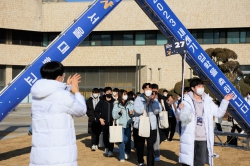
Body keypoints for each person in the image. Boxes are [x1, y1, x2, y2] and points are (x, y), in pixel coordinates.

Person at [29, 61, 87, 166]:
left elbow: (56, 97)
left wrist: (67, 87)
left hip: (40, 154)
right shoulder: (63, 96)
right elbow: (81, 110)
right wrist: (76, 92)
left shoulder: (37, 95)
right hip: (60, 155)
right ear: (59, 78)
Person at [177, 78, 234, 166]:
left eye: (202, 86)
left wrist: (225, 101)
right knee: (188, 163)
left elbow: (218, 113)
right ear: (193, 88)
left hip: (203, 138)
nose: (201, 88)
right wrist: (179, 111)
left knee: (199, 163)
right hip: (190, 137)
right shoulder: (186, 101)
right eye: (199, 86)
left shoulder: (208, 101)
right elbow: (182, 119)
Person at [134, 83, 162, 166]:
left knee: (150, 146)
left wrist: (153, 102)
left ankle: (150, 163)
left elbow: (157, 111)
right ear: (143, 90)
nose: (148, 91)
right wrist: (146, 103)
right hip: (140, 125)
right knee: (140, 145)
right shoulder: (138, 99)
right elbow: (138, 111)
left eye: (150, 89)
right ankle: (140, 161)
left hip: (151, 126)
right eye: (146, 89)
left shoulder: (155, 100)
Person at [112, 89, 134, 162]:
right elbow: (114, 116)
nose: (125, 96)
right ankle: (121, 157)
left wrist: (132, 114)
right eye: (124, 94)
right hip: (120, 125)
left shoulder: (130, 104)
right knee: (121, 141)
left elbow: (133, 114)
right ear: (121, 95)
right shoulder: (116, 104)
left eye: (126, 94)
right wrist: (119, 113)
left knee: (128, 140)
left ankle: (127, 152)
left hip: (128, 124)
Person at [94, 91, 115, 157]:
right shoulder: (102, 102)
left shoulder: (114, 102)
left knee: (112, 137)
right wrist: (100, 118)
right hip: (104, 123)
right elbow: (96, 111)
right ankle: (106, 147)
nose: (109, 93)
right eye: (107, 91)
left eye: (110, 91)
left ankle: (110, 150)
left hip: (112, 123)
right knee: (105, 136)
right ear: (105, 93)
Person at [151, 83, 163, 162]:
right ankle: (153, 152)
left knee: (157, 138)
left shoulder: (160, 98)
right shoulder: (147, 98)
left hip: (159, 120)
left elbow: (160, 109)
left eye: (156, 90)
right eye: (153, 90)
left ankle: (156, 153)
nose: (154, 92)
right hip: (149, 120)